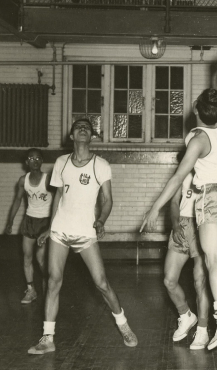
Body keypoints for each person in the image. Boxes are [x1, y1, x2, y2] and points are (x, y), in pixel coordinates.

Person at [140, 39, 217, 351]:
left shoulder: (199, 138)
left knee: (213, 261)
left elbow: (177, 178)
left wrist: (154, 208)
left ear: (197, 110)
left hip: (211, 198)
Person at [27, 119, 137, 354]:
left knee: (102, 283)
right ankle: (48, 338)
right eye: (78, 127)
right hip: (60, 231)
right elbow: (58, 196)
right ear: (71, 136)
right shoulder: (61, 163)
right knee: (54, 281)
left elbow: (107, 200)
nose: (83, 129)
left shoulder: (101, 165)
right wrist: (50, 226)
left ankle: (123, 325)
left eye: (87, 127)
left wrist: (100, 221)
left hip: (86, 232)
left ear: (92, 136)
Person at [164, 172, 211, 350]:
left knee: (200, 281)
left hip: (203, 225)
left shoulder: (211, 169)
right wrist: (175, 225)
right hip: (183, 224)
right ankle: (186, 315)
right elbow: (174, 202)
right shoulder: (183, 172)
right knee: (169, 280)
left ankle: (202, 328)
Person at [5, 148, 51, 304]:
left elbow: (59, 199)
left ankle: (48, 288)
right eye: (31, 158)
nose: (35, 161)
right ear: (26, 162)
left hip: (45, 222)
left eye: (38, 158)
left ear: (42, 161)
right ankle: (31, 290)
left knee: (41, 258)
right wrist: (10, 221)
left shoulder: (48, 179)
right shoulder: (23, 180)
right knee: (27, 258)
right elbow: (17, 200)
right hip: (29, 221)